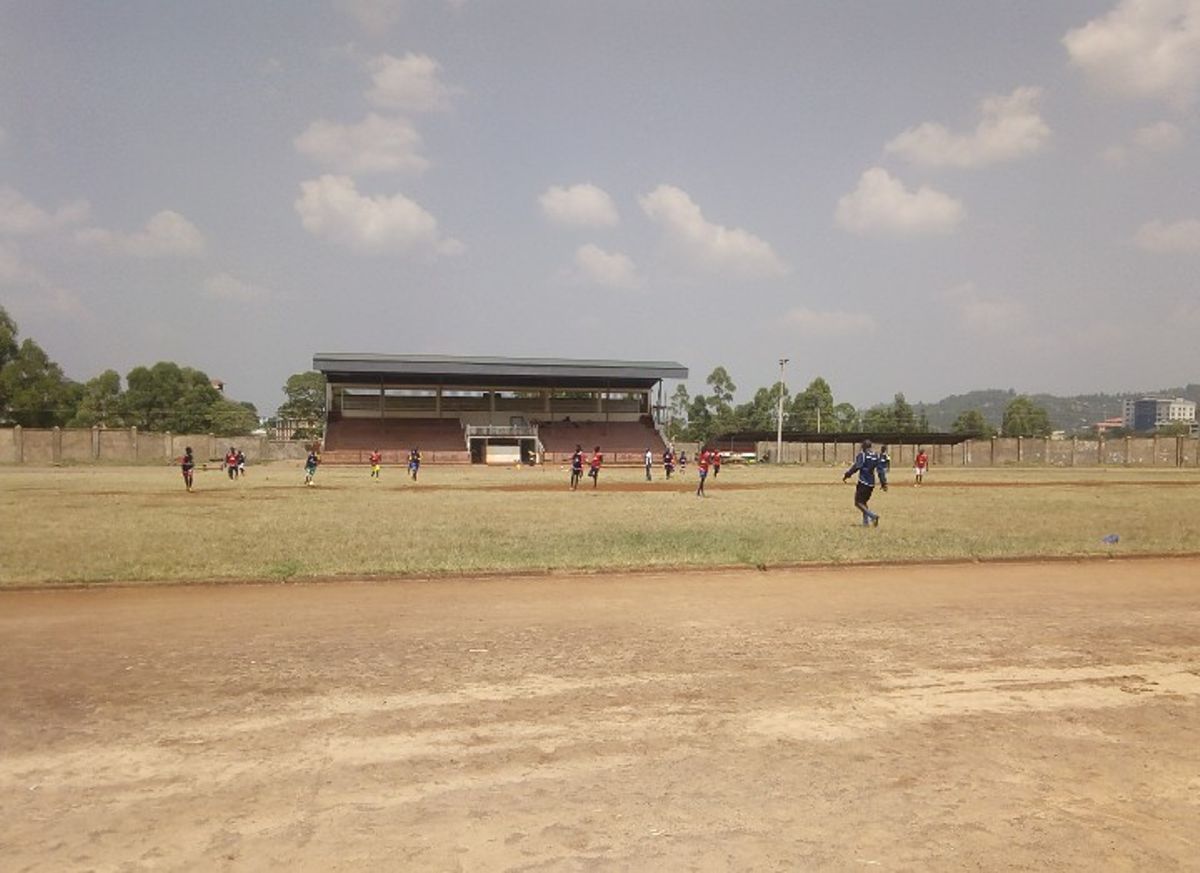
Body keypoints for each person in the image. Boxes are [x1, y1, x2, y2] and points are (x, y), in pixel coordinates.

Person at [843, 439, 887, 526]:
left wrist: (847, 474)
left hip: (863, 482)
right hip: (871, 483)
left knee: (858, 502)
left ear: (863, 447)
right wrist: (883, 483)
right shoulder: (876, 455)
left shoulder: (862, 455)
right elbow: (880, 471)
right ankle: (865, 523)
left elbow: (857, 466)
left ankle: (872, 516)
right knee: (863, 502)